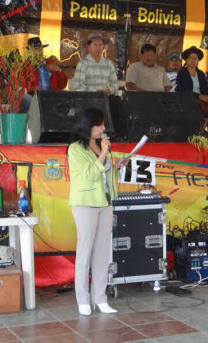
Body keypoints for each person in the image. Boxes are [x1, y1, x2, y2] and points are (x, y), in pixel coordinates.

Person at [67, 108, 126, 316]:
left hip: (105, 202)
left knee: (102, 252)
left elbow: (103, 172)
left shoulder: (101, 146)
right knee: (85, 252)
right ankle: (82, 298)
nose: (103, 128)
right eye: (99, 124)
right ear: (88, 126)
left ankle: (100, 297)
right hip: (85, 204)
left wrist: (115, 166)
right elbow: (89, 175)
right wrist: (102, 154)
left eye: (103, 124)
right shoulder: (75, 149)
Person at [176, 46, 208, 135]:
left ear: (198, 60)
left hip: (200, 98)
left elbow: (205, 89)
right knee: (201, 106)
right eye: (190, 58)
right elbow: (183, 90)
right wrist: (200, 96)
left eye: (195, 58)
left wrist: (207, 96)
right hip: (186, 98)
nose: (193, 61)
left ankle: (201, 131)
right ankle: (198, 132)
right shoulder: (182, 73)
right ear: (186, 60)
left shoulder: (201, 74)